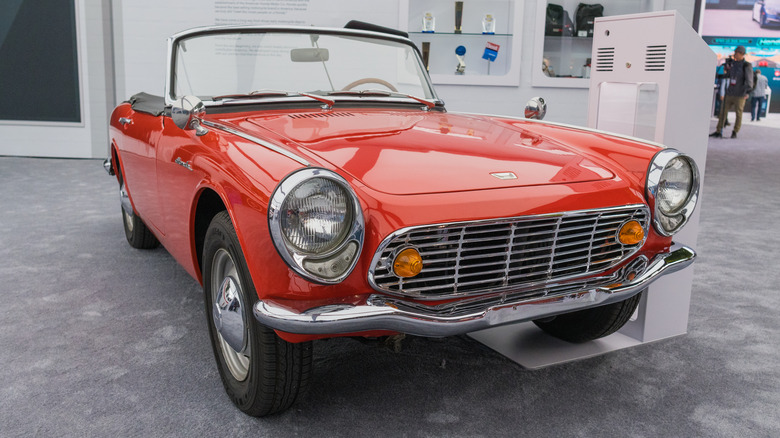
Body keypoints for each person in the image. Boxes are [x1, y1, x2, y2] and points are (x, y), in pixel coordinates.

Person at [711, 46, 753, 139]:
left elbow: (750, 81)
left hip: (740, 95)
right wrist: (719, 75)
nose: (734, 54)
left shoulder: (747, 65)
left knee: (738, 114)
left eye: (736, 53)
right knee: (722, 112)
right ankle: (718, 130)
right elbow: (727, 75)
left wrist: (747, 92)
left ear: (741, 54)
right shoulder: (733, 64)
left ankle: (735, 131)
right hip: (729, 93)